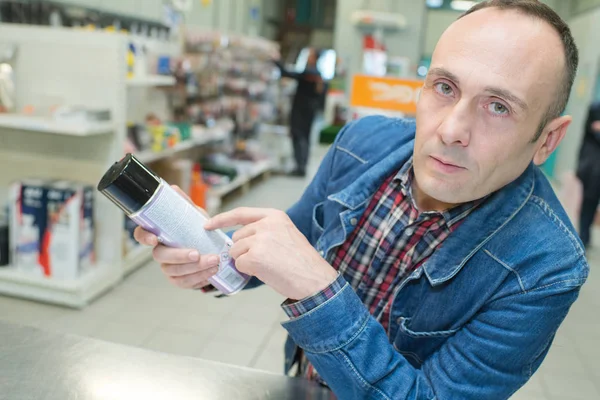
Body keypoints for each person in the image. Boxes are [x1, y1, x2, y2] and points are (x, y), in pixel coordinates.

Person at [134, 1, 589, 399]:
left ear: (547, 140)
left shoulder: (545, 267)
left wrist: (318, 289)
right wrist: (207, 256)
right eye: (445, 87)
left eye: (498, 107)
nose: (451, 130)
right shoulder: (362, 144)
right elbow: (287, 244)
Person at [274, 48, 324, 177]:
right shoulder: (316, 73)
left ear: (314, 58)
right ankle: (301, 165)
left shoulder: (311, 73)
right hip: (309, 109)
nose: (308, 57)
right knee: (304, 136)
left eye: (310, 55)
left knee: (298, 135)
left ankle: (300, 166)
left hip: (302, 109)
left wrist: (277, 60)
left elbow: (287, 73)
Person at [577, 101, 600, 248]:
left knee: (592, 203)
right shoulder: (595, 108)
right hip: (592, 169)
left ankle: (586, 235)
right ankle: (584, 236)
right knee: (588, 202)